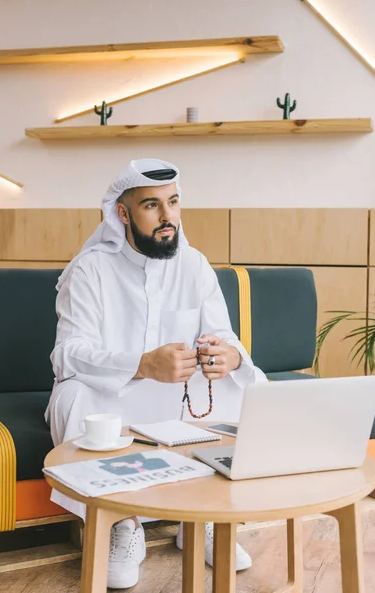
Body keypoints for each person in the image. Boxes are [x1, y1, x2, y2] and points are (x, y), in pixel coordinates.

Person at [45, 158, 267, 589]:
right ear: (123, 213)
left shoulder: (195, 264)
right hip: (116, 398)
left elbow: (226, 337)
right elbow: (67, 355)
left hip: (178, 398)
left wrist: (230, 358)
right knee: (74, 398)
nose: (168, 218)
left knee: (249, 389)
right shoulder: (89, 270)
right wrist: (142, 364)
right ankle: (120, 525)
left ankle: (204, 519)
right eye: (152, 205)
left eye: (174, 202)